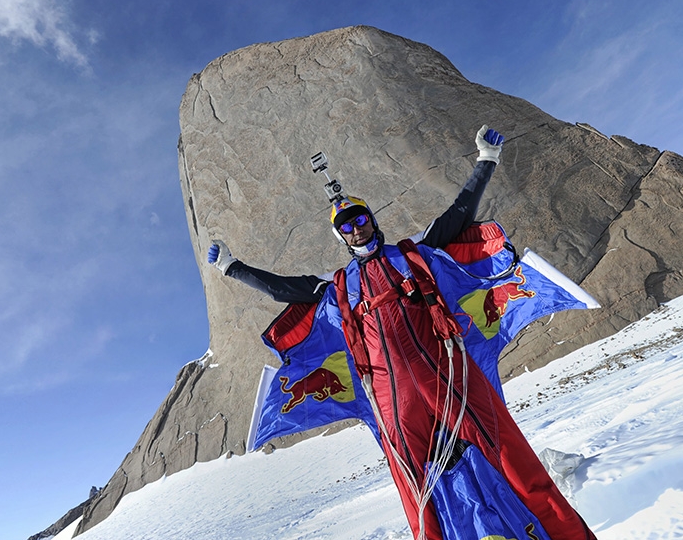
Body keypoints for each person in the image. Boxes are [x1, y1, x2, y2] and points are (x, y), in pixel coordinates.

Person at [208, 127, 597, 540]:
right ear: (341, 236)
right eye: (346, 226)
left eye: (360, 219)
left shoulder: (413, 254)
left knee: (507, 457)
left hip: (450, 377)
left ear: (372, 220)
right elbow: (281, 288)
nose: (356, 228)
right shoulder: (337, 286)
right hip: (393, 402)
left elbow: (457, 215)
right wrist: (233, 268)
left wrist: (486, 160)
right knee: (419, 493)